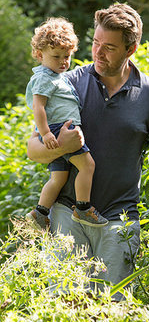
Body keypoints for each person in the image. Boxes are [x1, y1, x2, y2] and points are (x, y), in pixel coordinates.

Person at [27, 3, 149, 290]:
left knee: (115, 311)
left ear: (131, 49)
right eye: (96, 42)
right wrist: (62, 145)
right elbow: (33, 150)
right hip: (67, 214)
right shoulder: (67, 82)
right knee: (63, 307)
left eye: (109, 47)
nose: (98, 53)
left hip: (119, 221)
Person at [25, 17, 108, 231]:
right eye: (56, 56)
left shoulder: (57, 76)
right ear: (39, 54)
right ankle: (82, 208)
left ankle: (40, 212)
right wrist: (46, 134)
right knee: (88, 166)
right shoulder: (45, 78)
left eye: (67, 56)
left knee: (58, 177)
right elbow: (38, 107)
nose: (63, 61)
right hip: (58, 129)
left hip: (56, 129)